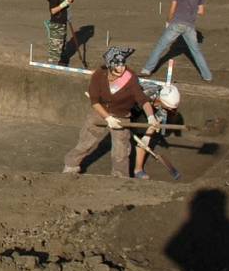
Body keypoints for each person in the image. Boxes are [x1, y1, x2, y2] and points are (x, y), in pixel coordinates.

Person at [63, 46, 159, 178]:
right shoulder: (99, 75)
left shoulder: (130, 79)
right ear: (109, 66)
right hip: (100, 112)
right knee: (86, 142)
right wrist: (108, 118)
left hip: (122, 116)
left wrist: (151, 117)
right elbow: (95, 101)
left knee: (121, 151)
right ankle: (71, 165)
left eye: (123, 65)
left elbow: (143, 100)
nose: (121, 69)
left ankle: (119, 177)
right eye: (117, 66)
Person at [140, 0, 212, 82]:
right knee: (196, 51)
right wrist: (190, 11)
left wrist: (168, 21)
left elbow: (173, 8)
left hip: (176, 23)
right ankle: (207, 76)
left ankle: (146, 70)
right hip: (190, 26)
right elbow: (201, 11)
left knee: (160, 46)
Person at [133, 83, 180, 179]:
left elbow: (156, 121)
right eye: (169, 107)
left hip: (146, 113)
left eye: (172, 108)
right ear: (161, 100)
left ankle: (138, 169)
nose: (171, 109)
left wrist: (146, 137)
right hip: (131, 105)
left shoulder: (167, 107)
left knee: (143, 138)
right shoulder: (148, 92)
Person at [45, 0, 74, 64]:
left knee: (62, 44)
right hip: (57, 23)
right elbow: (53, 11)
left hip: (63, 22)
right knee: (56, 45)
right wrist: (64, 4)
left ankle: (61, 62)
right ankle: (52, 64)